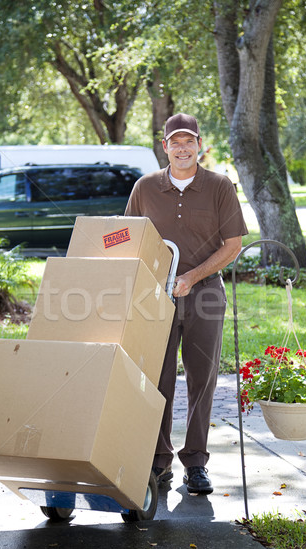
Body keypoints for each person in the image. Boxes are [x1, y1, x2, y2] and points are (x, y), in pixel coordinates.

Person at [125, 113, 248, 494]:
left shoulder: (220, 186)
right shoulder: (145, 188)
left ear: (199, 145)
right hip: (155, 297)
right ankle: (158, 462)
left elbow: (232, 246)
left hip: (205, 294)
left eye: (188, 141)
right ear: (164, 147)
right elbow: (129, 239)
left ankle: (195, 462)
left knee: (203, 379)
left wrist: (191, 278)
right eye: (174, 142)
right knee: (156, 379)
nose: (182, 148)